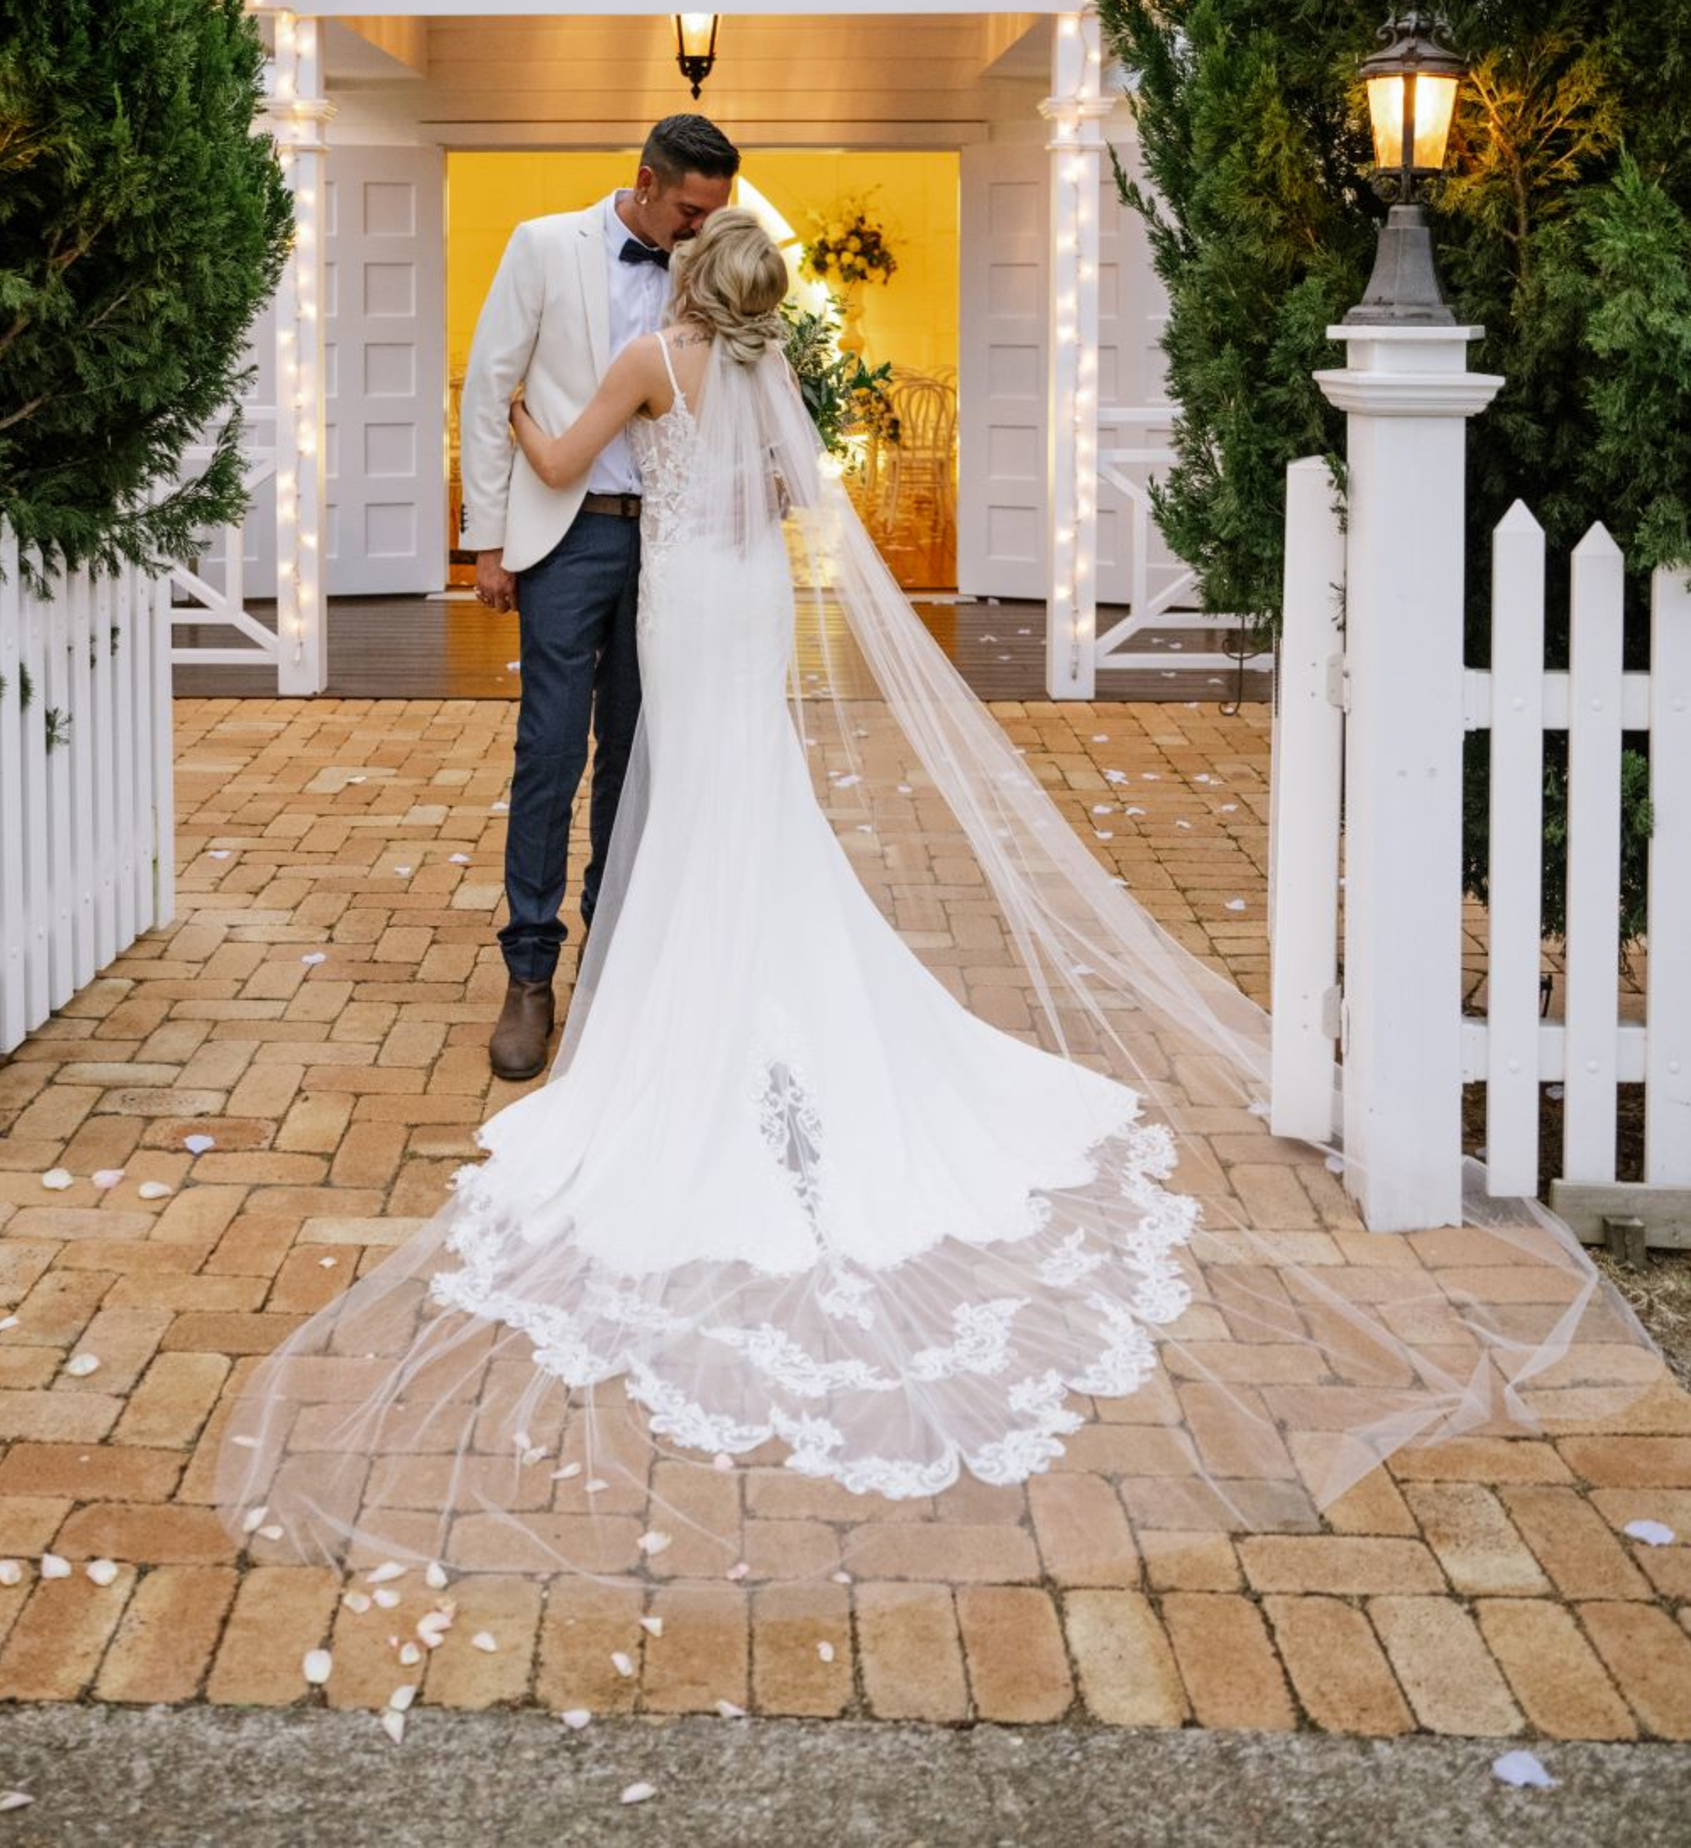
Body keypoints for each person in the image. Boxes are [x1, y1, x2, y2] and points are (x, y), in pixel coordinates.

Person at [218, 212, 1661, 1581]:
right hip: (746, 608)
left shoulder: (649, 362)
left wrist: (525, 433)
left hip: (680, 604)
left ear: (683, 290)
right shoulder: (774, 377)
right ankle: (757, 992)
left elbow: (567, 447)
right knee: (749, 795)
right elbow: (789, 497)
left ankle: (673, 1016)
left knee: (684, 797)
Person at [458, 113, 737, 1081]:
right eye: (689, 209)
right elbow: (490, 388)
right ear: (647, 182)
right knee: (547, 749)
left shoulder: (709, 265)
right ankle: (527, 976)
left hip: (669, 542)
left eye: (715, 213)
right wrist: (485, 542)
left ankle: (611, 958)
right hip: (564, 534)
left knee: (634, 755)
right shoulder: (543, 246)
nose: (698, 228)